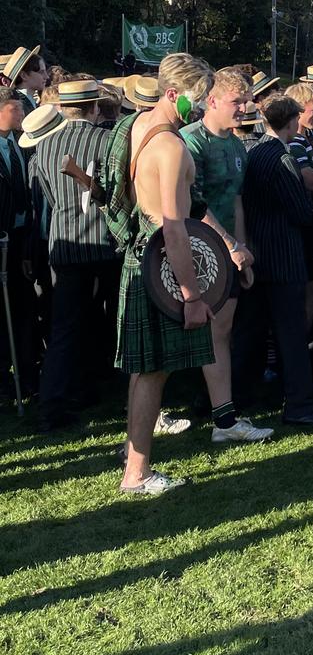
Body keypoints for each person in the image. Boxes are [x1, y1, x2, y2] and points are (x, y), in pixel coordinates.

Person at [106, 53, 216, 493]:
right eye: (199, 98)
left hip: (141, 259)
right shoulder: (169, 146)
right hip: (161, 265)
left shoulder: (135, 126)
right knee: (153, 372)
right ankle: (137, 474)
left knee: (145, 368)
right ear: (173, 94)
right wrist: (191, 294)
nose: (204, 107)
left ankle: (134, 455)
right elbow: (174, 227)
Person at [181, 67, 272, 443]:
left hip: (227, 253)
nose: (245, 107)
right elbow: (192, 203)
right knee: (184, 333)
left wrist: (242, 249)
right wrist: (231, 246)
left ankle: (224, 419)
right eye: (238, 101)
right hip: (192, 250)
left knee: (221, 331)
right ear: (212, 100)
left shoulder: (236, 145)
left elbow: (236, 201)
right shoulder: (191, 141)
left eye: (247, 100)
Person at [34, 78, 122, 430]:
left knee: (65, 329)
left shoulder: (44, 146)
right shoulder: (107, 140)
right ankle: (117, 390)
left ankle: (56, 405)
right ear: (96, 107)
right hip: (106, 243)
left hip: (65, 244)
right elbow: (117, 194)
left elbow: (49, 199)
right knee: (116, 321)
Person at [242, 95, 313, 426]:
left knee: (252, 331)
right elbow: (301, 209)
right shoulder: (280, 157)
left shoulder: (256, 152)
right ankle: (300, 405)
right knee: (292, 335)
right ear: (292, 121)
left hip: (260, 252)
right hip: (283, 257)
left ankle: (236, 398)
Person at [0, 87, 38, 401]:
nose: (22, 114)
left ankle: (27, 374)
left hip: (24, 239)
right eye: (15, 109)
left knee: (24, 309)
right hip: (2, 239)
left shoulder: (21, 144)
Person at [284, 83, 313, 333]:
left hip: (306, 225)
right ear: (299, 110)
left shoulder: (305, 139)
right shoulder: (297, 144)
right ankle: (300, 340)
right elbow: (311, 184)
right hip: (304, 227)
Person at [4, 46, 48, 116]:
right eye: (41, 72)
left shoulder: (30, 102)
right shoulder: (18, 105)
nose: (46, 76)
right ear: (24, 75)